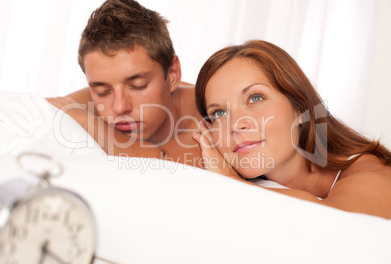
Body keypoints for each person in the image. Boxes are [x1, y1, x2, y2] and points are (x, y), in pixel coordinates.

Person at [192, 40, 391, 219]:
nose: (235, 124)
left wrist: (231, 182)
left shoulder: (374, 173)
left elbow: (339, 227)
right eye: (219, 113)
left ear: (299, 106)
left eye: (255, 98)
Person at [47, 0, 202, 167]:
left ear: (172, 74)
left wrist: (87, 122)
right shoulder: (87, 102)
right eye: (103, 91)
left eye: (138, 85)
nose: (120, 107)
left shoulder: (209, 112)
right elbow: (39, 110)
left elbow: (163, 166)